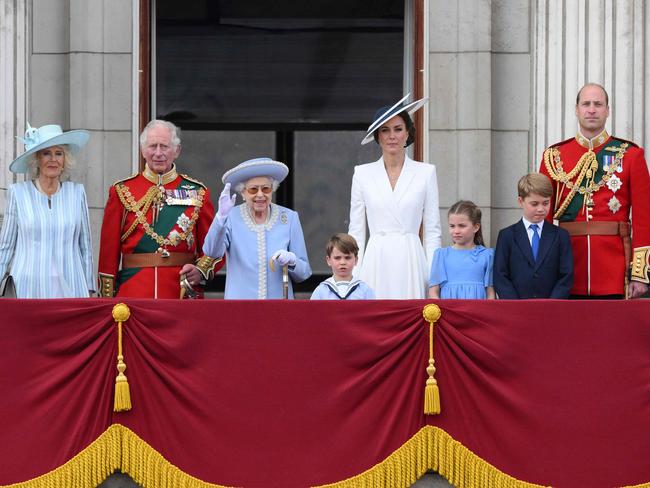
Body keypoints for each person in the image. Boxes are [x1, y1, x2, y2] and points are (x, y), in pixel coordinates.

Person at [539, 83, 650, 298]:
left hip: (615, 270)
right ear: (576, 109)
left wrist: (639, 274)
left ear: (607, 110)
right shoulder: (554, 157)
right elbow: (543, 217)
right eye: (586, 104)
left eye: (598, 104)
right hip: (566, 267)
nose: (592, 109)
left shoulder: (630, 155)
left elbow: (644, 219)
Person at [97, 120, 222, 298]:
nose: (158, 153)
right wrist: (106, 300)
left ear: (176, 151)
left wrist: (200, 271)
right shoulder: (122, 190)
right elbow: (108, 253)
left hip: (180, 292)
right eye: (152, 146)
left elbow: (214, 245)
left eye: (164, 146)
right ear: (142, 150)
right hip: (133, 291)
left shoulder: (198, 192)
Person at [348, 93, 441, 299]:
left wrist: (433, 277)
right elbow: (356, 230)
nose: (392, 136)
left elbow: (433, 230)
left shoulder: (426, 172)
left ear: (408, 133)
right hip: (376, 259)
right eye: (385, 130)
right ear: (377, 136)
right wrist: (355, 274)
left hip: (411, 257)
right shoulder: (362, 173)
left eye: (398, 129)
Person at [0, 123, 94, 298]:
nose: (53, 159)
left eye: (58, 153)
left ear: (65, 160)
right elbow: (5, 247)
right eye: (46, 153)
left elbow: (85, 247)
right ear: (36, 159)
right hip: (28, 287)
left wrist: (89, 287)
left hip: (71, 286)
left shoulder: (76, 193)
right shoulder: (18, 193)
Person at [202, 157, 311, 299]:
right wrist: (221, 218)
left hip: (278, 309)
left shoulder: (289, 218)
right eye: (253, 189)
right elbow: (211, 252)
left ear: (272, 190)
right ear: (243, 192)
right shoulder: (230, 217)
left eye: (266, 188)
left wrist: (293, 261)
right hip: (241, 308)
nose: (260, 194)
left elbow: (304, 273)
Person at [493, 173, 573, 299]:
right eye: (534, 204)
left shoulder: (560, 236)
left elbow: (566, 275)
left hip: (551, 309)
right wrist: (515, 305)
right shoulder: (507, 236)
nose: (541, 209)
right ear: (521, 201)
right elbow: (500, 275)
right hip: (516, 309)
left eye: (545, 203)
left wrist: (553, 304)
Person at [428, 201, 495, 299]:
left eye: (462, 226)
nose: (456, 231)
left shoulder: (487, 255)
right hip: (448, 312)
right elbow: (433, 292)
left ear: (476, 227)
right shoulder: (441, 255)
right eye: (452, 226)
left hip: (477, 312)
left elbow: (490, 293)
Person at [310, 233, 375, 300]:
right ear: (328, 260)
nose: (343, 262)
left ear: (356, 260)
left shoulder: (365, 291)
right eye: (337, 258)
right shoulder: (321, 291)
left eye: (347, 258)